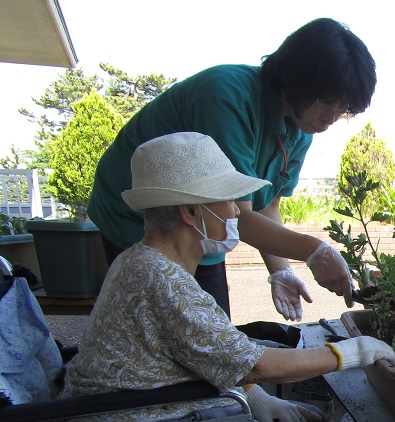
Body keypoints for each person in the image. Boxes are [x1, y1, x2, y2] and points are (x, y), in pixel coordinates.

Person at [63, 131, 395, 422]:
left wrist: (259, 402)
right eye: (228, 200)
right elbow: (254, 365)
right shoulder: (163, 281)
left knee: (307, 419)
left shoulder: (142, 262)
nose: (237, 211)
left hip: (130, 418)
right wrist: (354, 352)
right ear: (190, 213)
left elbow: (208, 352)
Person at [87, 18, 372, 320]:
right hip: (142, 217)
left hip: (203, 225)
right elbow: (238, 213)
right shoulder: (226, 96)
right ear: (295, 76)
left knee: (211, 325)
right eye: (327, 101)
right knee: (157, 322)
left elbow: (266, 205)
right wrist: (315, 250)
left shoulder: (301, 129)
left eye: (343, 109)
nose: (331, 117)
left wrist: (281, 272)